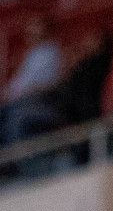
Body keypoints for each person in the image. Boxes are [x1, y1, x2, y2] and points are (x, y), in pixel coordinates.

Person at [1, 17, 65, 145]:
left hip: (37, 101)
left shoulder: (51, 52)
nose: (30, 34)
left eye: (34, 29)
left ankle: (15, 161)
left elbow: (53, 84)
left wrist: (25, 92)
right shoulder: (32, 54)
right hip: (17, 101)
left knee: (16, 121)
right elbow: (17, 83)